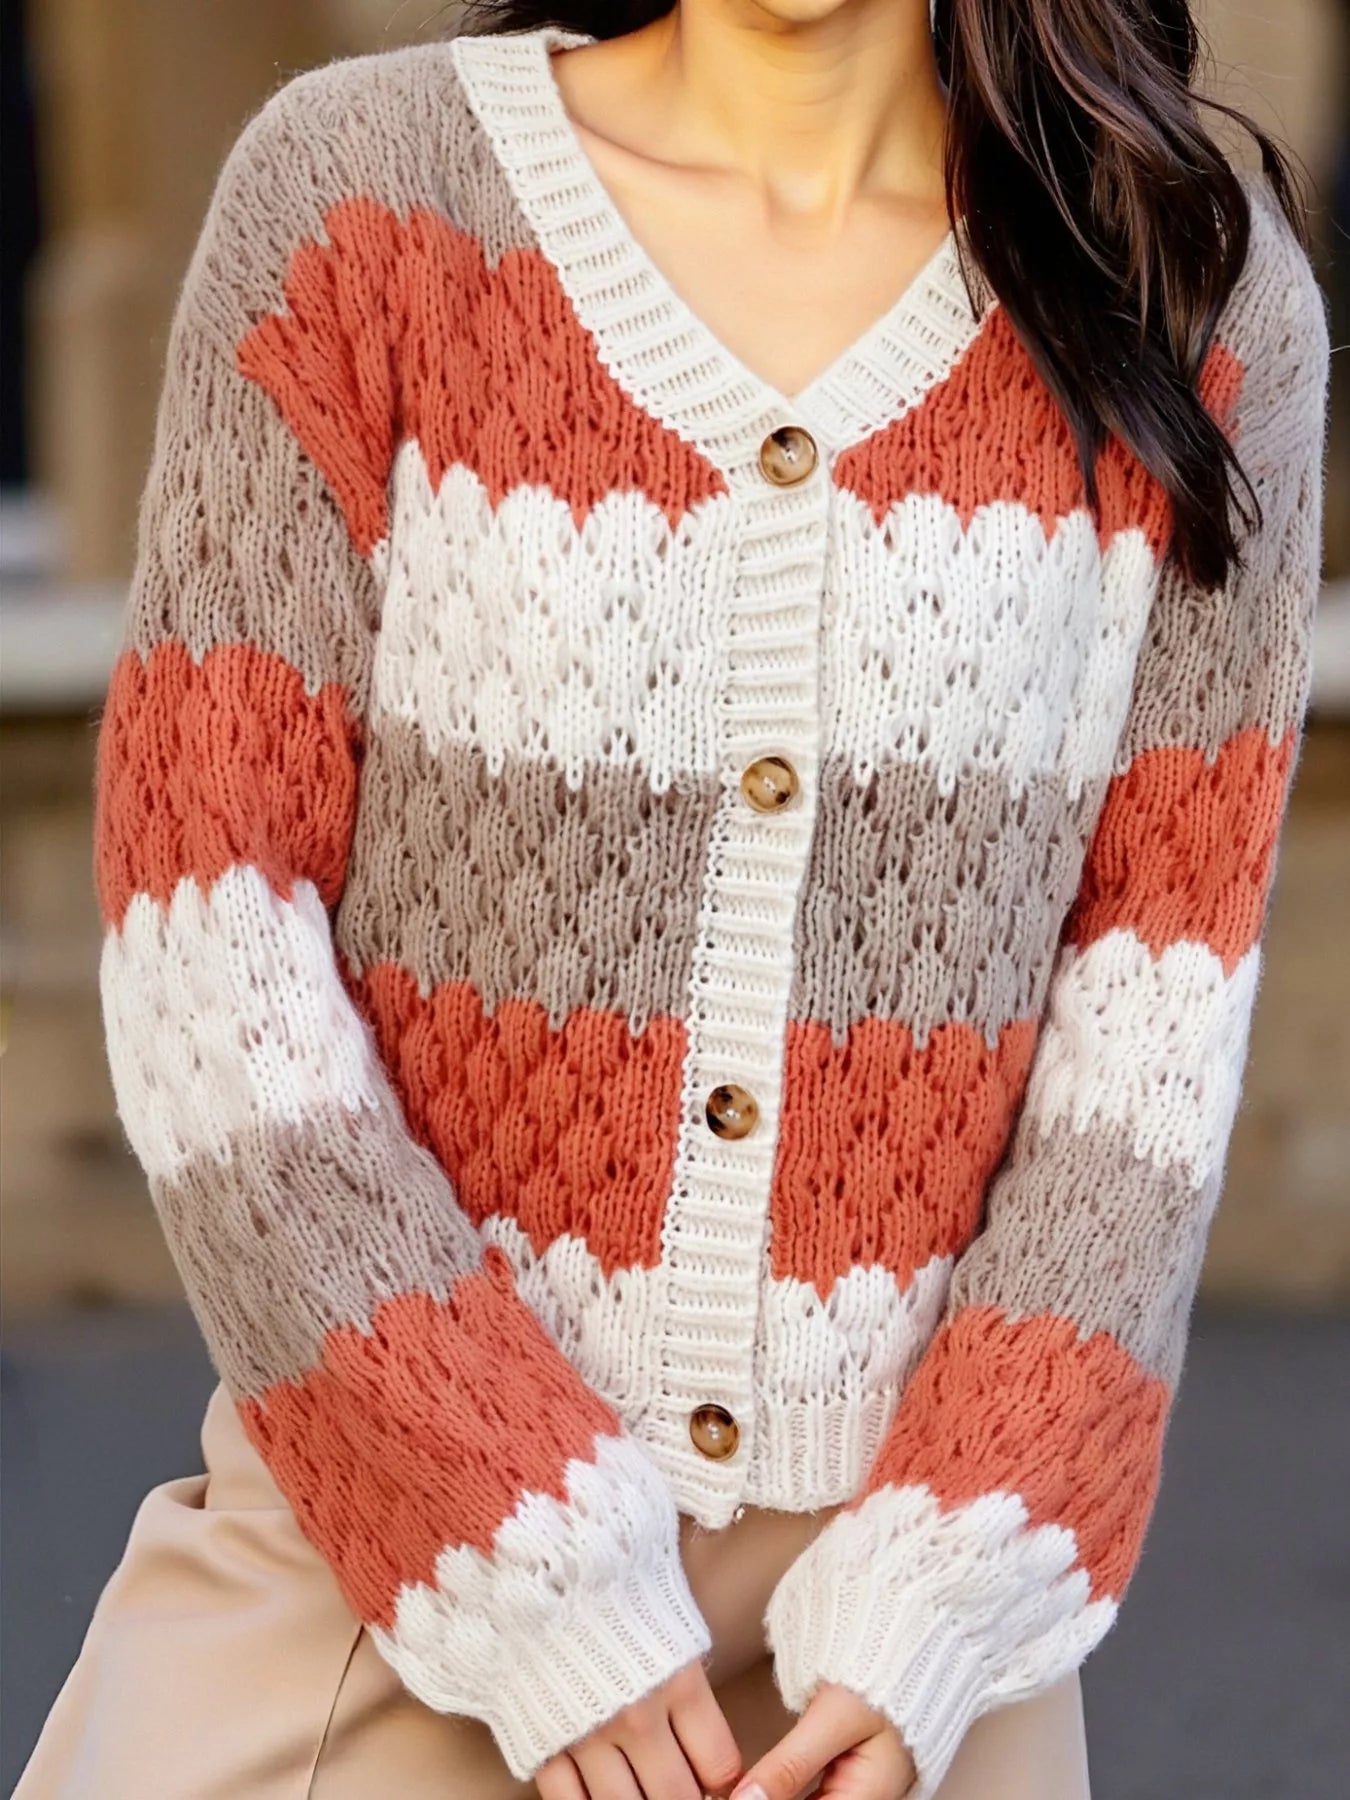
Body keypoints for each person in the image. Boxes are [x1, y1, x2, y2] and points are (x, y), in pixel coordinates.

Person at [16, 2, 1332, 1797]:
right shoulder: (369, 199)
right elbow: (207, 927)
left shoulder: (1181, 283)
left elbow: (1153, 1024)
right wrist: (507, 1529)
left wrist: (947, 1582)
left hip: (898, 1656)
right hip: (399, 1554)